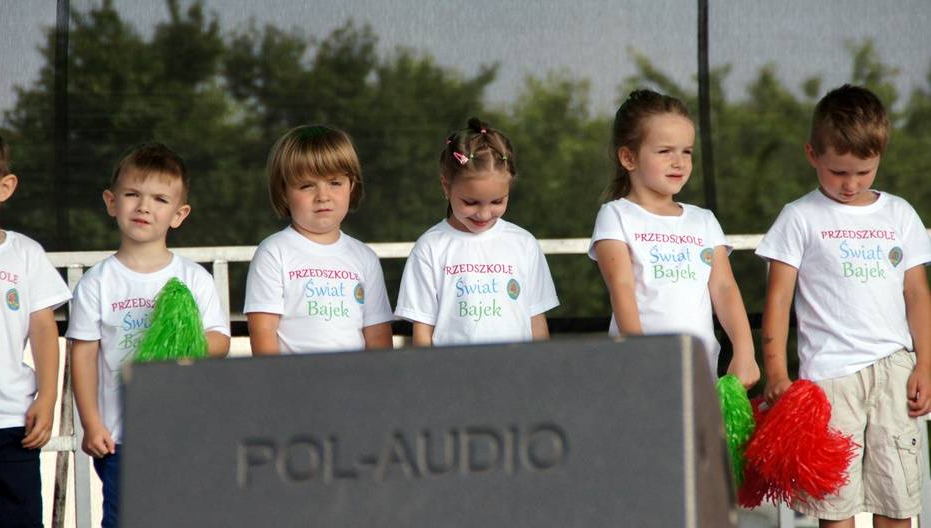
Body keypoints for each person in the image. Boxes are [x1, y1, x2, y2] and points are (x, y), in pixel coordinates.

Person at [757, 84, 931, 527]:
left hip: (895, 370)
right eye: (838, 172)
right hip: (829, 378)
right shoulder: (798, 217)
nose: (850, 184)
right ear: (812, 154)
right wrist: (776, 373)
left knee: (898, 500)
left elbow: (917, 294)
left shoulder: (900, 214)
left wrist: (926, 364)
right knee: (835, 504)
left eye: (863, 172)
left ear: (880, 158)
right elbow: (778, 299)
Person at [67, 142, 231, 528]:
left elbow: (220, 341)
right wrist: (91, 423)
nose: (144, 207)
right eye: (132, 195)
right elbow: (83, 355)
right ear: (111, 202)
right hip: (121, 436)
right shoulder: (97, 282)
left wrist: (183, 346)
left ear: (179, 214)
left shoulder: (193, 278)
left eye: (160, 199)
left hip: (184, 433)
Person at [588, 89, 759, 386]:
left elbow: (724, 288)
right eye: (665, 151)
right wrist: (639, 353)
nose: (679, 162)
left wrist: (745, 352)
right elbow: (622, 287)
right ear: (628, 158)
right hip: (640, 374)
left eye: (687, 151)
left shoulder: (703, 220)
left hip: (699, 374)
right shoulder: (616, 215)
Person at [395, 117, 559, 346]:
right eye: (470, 202)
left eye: (497, 201)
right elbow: (422, 331)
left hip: (517, 367)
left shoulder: (524, 243)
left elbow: (537, 321)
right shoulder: (430, 247)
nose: (483, 214)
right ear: (446, 186)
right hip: (453, 368)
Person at [244, 125, 393, 354]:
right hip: (294, 377)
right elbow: (263, 330)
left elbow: (378, 334)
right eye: (306, 186)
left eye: (335, 183)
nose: (323, 196)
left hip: (355, 376)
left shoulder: (365, 257)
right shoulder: (274, 251)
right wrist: (273, 377)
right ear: (283, 192)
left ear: (351, 186)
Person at [0, 128, 72, 528]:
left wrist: (47, 396)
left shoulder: (24, 253)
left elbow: (43, 330)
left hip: (11, 422)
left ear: (4, 187)